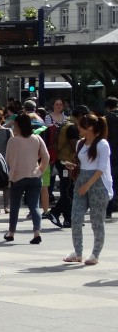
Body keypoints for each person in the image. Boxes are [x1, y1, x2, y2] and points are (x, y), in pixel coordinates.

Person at [63, 112, 113, 266]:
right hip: (81, 180)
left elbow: (101, 168)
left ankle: (95, 254)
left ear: (90, 127)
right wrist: (74, 167)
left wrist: (87, 185)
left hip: (97, 183)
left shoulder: (102, 144)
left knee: (96, 221)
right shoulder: (80, 143)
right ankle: (78, 252)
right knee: (76, 217)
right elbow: (83, 163)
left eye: (81, 125)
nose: (78, 128)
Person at [4, 113, 49, 244]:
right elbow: (46, 156)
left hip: (17, 177)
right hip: (35, 176)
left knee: (15, 206)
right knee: (34, 206)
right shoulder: (37, 138)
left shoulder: (13, 140)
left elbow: (8, 159)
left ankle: (11, 232)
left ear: (18, 125)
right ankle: (36, 233)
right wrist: (41, 169)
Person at [105, 97, 118, 217]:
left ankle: (109, 208)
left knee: (110, 180)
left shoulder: (106, 119)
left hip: (111, 153)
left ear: (107, 107)